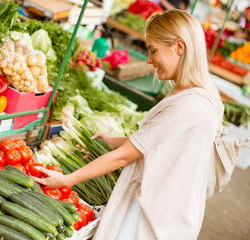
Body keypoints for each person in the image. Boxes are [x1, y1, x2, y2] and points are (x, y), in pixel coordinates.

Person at [32, 9, 224, 240]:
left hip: (154, 217)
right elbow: (165, 144)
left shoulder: (189, 104)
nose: (149, 60)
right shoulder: (206, 95)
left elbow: (122, 157)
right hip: (173, 213)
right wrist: (114, 140)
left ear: (179, 47)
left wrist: (66, 179)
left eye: (153, 50)